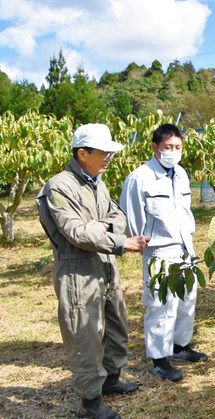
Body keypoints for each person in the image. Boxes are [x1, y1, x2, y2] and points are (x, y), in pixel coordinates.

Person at [37, 123, 150, 419]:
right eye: (104, 152)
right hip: (77, 270)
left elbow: (117, 216)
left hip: (104, 263)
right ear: (82, 153)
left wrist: (103, 229)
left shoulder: (97, 181)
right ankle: (91, 401)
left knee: (116, 325)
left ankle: (112, 380)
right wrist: (118, 240)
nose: (109, 157)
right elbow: (76, 232)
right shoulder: (60, 186)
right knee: (84, 334)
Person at [119, 123, 208, 383]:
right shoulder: (140, 177)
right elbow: (131, 214)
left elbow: (184, 211)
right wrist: (141, 241)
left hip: (184, 248)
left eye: (178, 147)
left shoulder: (181, 174)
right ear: (155, 148)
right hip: (159, 250)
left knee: (186, 299)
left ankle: (180, 347)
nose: (173, 151)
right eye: (168, 147)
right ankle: (159, 358)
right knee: (160, 304)